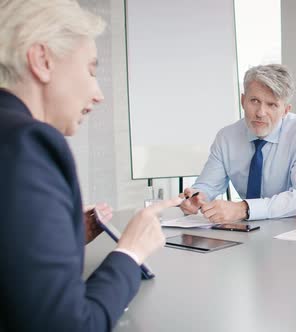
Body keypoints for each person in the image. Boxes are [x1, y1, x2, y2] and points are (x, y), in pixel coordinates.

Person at [0, 1, 182, 330]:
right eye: (91, 70)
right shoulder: (30, 142)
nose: (98, 94)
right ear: (42, 60)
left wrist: (61, 233)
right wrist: (130, 252)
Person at [179, 64, 296, 223]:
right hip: (244, 230)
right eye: (254, 101)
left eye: (271, 105)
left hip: (291, 227)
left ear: (286, 110)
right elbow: (208, 186)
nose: (260, 113)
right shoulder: (226, 137)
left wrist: (244, 208)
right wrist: (196, 198)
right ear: (242, 100)